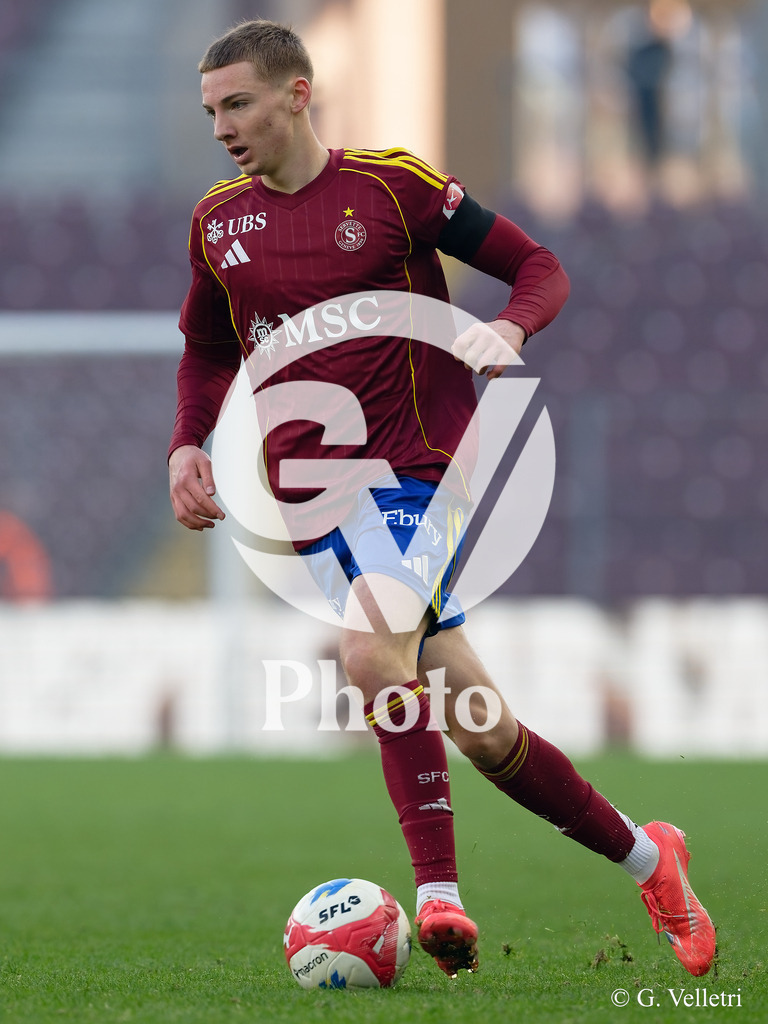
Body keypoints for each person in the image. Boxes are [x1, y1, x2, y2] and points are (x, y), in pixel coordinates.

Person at [168, 19, 715, 980]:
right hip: (320, 505)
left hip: (424, 467)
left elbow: (541, 266)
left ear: (298, 94)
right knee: (480, 726)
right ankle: (649, 855)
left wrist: (511, 326)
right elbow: (209, 347)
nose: (222, 126)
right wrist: (187, 441)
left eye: (239, 103)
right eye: (212, 109)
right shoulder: (219, 221)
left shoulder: (391, 187)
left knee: (370, 655)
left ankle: (439, 898)